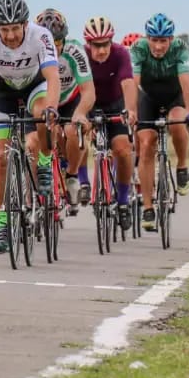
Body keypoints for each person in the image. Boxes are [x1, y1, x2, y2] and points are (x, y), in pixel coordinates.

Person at [0, 0, 60, 253]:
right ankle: (3, 222)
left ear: (25, 25)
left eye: (15, 28)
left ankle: (42, 165)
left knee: (42, 113)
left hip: (35, 87)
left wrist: (52, 107)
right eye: (4, 29)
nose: (9, 35)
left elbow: (52, 76)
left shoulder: (41, 36)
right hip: (2, 92)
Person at [131, 13, 189, 231]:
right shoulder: (139, 48)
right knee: (146, 143)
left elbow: (187, 85)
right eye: (154, 40)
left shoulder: (180, 48)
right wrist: (131, 111)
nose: (159, 46)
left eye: (163, 41)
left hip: (174, 97)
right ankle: (148, 207)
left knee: (178, 121)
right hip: (148, 98)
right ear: (147, 38)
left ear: (170, 39)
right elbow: (133, 83)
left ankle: (182, 166)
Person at [34, 8, 94, 213]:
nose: (54, 48)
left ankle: (72, 175)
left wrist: (80, 113)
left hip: (69, 100)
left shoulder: (75, 51)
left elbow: (88, 91)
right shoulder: (31, 51)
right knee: (35, 140)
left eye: (58, 43)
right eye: (49, 44)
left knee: (72, 131)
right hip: (42, 100)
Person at [82, 16, 139, 231]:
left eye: (105, 44)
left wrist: (131, 110)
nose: (102, 50)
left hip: (115, 105)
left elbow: (127, 83)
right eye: (96, 46)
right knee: (78, 135)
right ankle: (83, 182)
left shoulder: (120, 54)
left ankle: (123, 200)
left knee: (123, 150)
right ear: (88, 44)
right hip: (90, 104)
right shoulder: (82, 56)